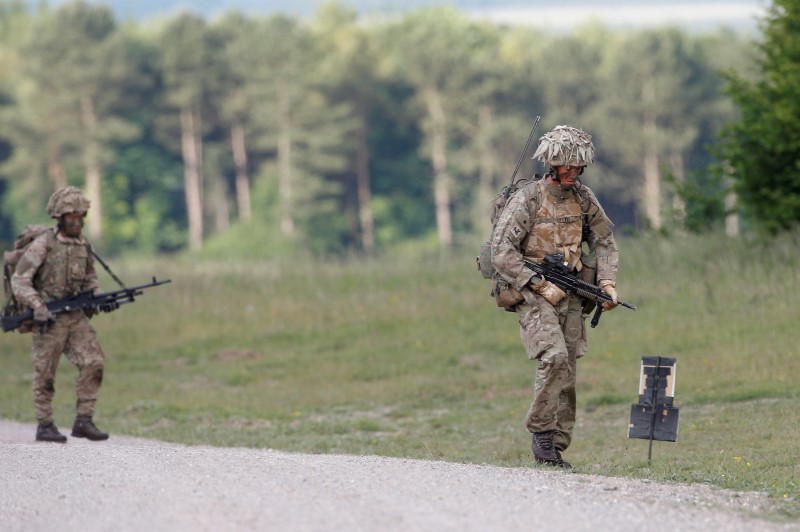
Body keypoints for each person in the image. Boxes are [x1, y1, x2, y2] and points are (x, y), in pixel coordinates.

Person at [490, 125, 620, 468]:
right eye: (568, 167)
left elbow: (605, 241)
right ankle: (542, 436)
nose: (574, 173)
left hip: (573, 294)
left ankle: (556, 449)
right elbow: (501, 251)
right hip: (533, 293)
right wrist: (537, 283)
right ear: (553, 164)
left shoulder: (584, 197)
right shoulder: (529, 198)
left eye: (579, 168)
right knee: (554, 357)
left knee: (569, 371)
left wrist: (607, 283)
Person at [11, 186, 110, 443]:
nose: (77, 222)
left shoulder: (84, 245)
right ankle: (45, 425)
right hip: (49, 319)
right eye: (72, 217)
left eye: (81, 217)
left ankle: (84, 420)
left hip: (76, 318)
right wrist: (37, 305)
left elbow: (90, 279)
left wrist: (98, 298)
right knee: (45, 374)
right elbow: (19, 280)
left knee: (94, 362)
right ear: (60, 218)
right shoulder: (44, 244)